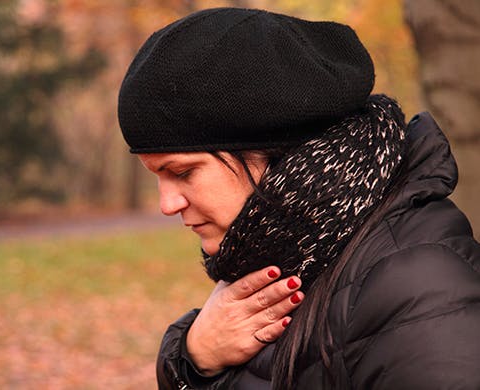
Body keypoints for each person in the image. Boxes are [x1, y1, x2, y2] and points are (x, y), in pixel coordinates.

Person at [117, 7, 480, 390]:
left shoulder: (417, 286)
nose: (167, 204)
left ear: (274, 151)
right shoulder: (296, 252)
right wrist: (194, 357)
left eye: (182, 172)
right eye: (157, 176)